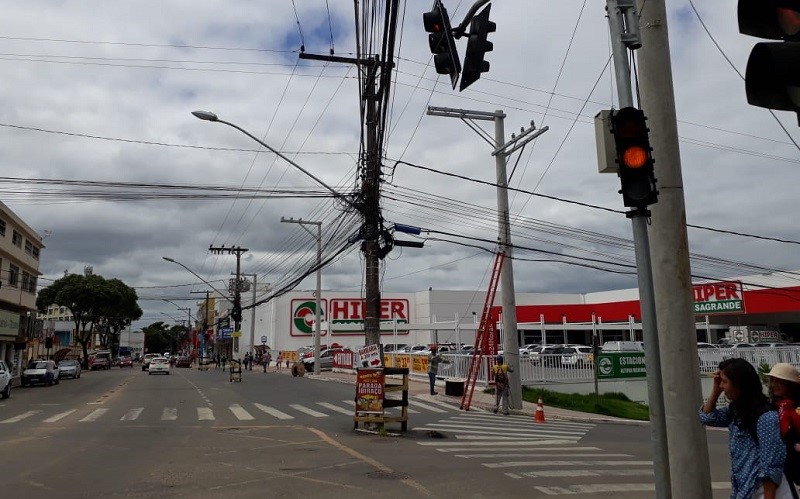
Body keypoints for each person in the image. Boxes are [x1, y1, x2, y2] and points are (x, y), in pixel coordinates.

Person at [700, 358, 793, 499]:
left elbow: (771, 467)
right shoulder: (736, 411)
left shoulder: (766, 416)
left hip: (762, 491)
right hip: (744, 491)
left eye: (725, 382)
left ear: (739, 384)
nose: (722, 386)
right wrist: (716, 390)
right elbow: (706, 417)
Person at [768, 363, 800, 487]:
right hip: (781, 462)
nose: (774, 385)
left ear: (790, 384)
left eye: (779, 382)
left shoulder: (795, 407)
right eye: (773, 381)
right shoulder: (772, 405)